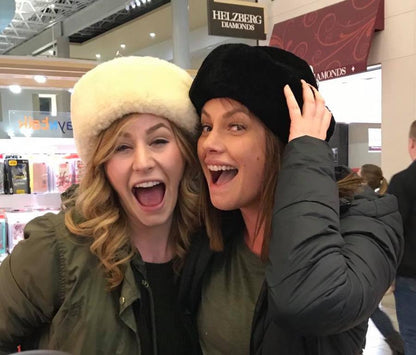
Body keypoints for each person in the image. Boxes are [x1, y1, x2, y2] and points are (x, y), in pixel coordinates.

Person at [179, 43, 404, 355]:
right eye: (206, 126)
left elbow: (311, 300)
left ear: (285, 143)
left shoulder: (365, 220)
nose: (209, 143)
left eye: (236, 126)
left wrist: (308, 150)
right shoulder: (210, 231)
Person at [0, 56, 201, 354]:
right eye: (122, 147)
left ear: (185, 153)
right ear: (103, 165)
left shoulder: (209, 247)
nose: (143, 162)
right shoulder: (58, 249)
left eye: (159, 141)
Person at [358, 163, 405, 355]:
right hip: (375, 264)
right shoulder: (384, 203)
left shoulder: (362, 205)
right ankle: (396, 342)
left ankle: (396, 343)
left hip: (366, 265)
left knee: (368, 310)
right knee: (369, 310)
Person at [388, 119, 416, 355]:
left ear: (412, 144)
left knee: (412, 336)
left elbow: (393, 231)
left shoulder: (402, 182)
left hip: (410, 275)